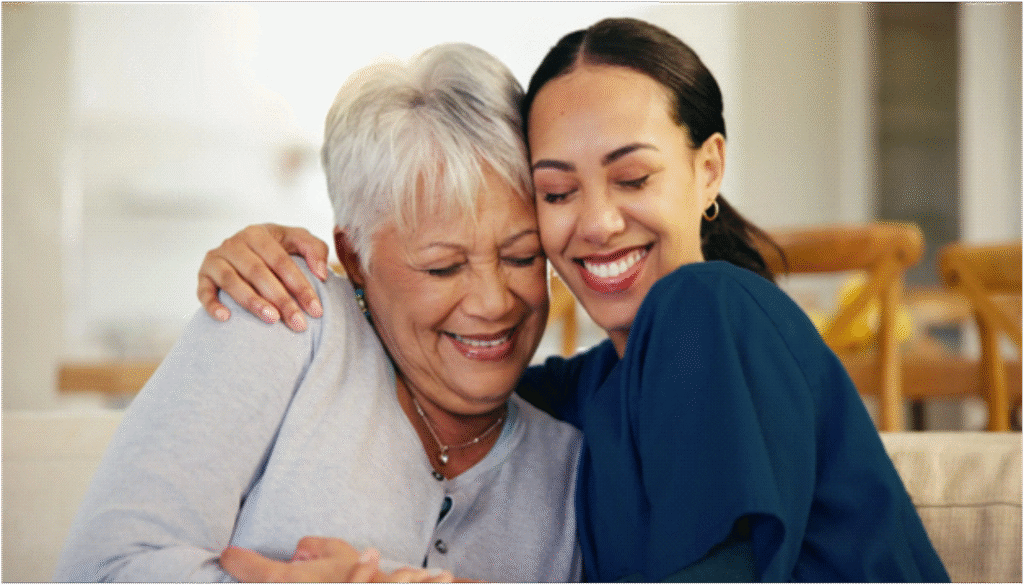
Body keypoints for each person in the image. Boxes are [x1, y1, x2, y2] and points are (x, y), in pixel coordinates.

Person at [196, 18, 949, 583]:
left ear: (708, 168)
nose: (595, 221)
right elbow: (425, 359)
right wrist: (317, 273)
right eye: (557, 191)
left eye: (632, 178)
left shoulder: (712, 307)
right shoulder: (584, 394)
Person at [53, 43, 583, 583]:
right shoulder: (283, 314)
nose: (495, 302)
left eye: (522, 256)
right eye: (443, 267)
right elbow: (100, 569)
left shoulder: (571, 463)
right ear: (354, 256)